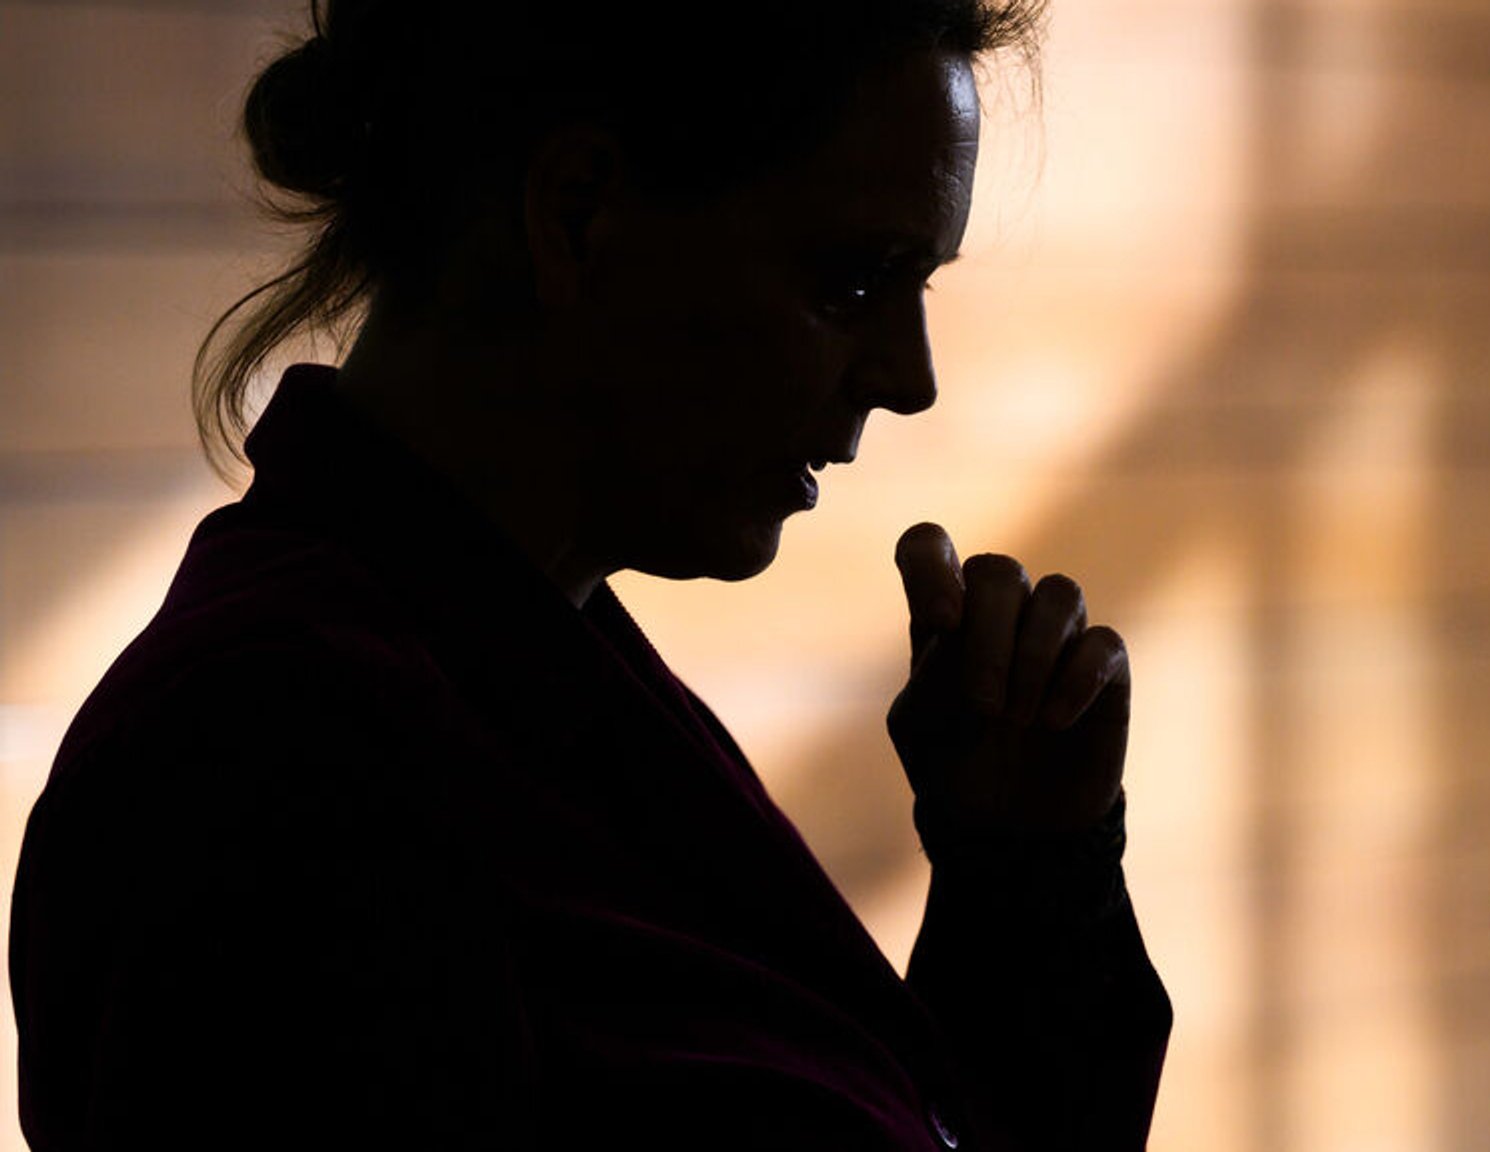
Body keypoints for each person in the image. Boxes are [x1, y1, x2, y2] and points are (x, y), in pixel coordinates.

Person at [8, 2, 1171, 1149]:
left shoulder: (549, 695)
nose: (910, 378)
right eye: (853, 281)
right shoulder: (271, 769)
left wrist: (1026, 883)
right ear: (577, 215)